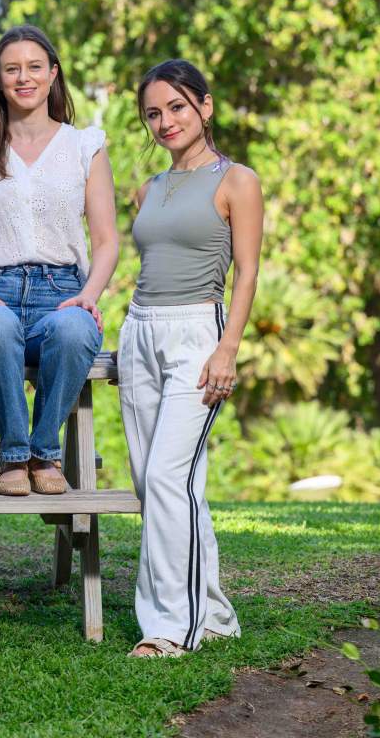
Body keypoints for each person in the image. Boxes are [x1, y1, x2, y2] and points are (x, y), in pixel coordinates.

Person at [122, 60, 262, 658]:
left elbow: (248, 271)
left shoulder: (237, 181)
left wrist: (228, 346)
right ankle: (215, 614)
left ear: (204, 106)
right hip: (139, 332)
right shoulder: (151, 187)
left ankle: (170, 628)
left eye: (176, 107)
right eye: (153, 113)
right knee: (162, 484)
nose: (165, 121)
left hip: (197, 335)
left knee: (166, 478)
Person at [0, 25, 118, 496]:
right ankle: (15, 458)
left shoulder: (86, 147)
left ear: (53, 74)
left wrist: (88, 296)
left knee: (76, 329)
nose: (24, 78)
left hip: (61, 292)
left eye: (35, 67)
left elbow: (106, 240)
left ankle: (46, 453)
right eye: (12, 69)